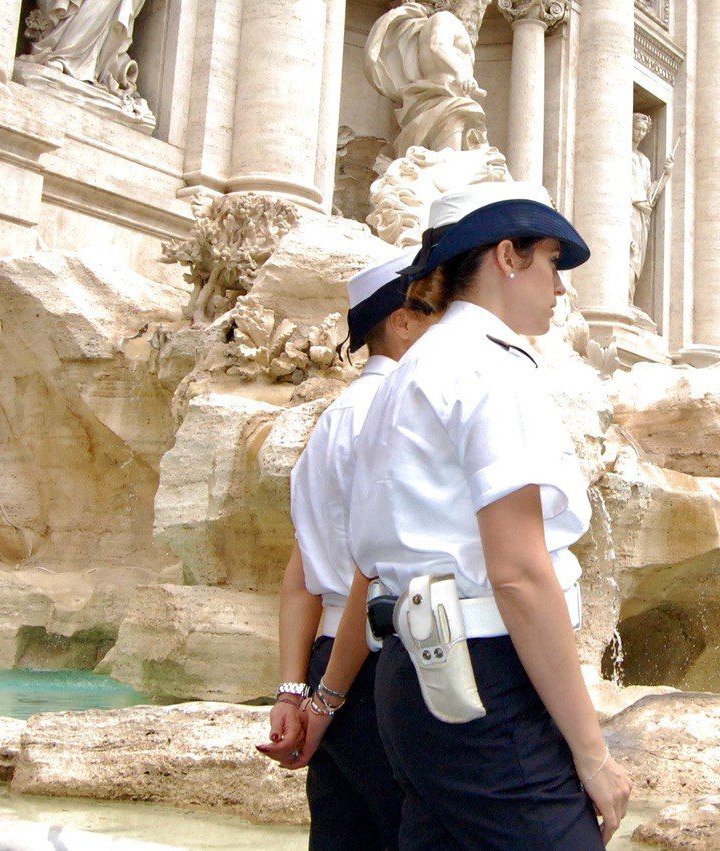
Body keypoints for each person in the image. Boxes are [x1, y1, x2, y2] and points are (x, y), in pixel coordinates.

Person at [286, 184, 633, 849]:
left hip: (411, 678)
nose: (560, 287)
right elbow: (519, 572)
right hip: (483, 678)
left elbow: (367, 556)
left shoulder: (409, 377)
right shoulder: (487, 370)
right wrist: (593, 754)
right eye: (551, 262)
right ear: (507, 255)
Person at [256, 247, 438, 850]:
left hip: (331, 659)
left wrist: (293, 689)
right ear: (403, 321)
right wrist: (328, 700)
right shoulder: (395, 417)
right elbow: (372, 572)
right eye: (437, 311)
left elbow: (301, 571)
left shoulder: (333, 420)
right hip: (377, 664)